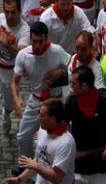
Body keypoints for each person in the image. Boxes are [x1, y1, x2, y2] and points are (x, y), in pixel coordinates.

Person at [11, 22, 71, 158]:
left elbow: (71, 63)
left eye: (40, 41)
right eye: (34, 41)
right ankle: (25, 166)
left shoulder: (56, 51)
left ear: (46, 39)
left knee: (54, 138)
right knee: (22, 136)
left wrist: (60, 71)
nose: (37, 45)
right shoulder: (23, 55)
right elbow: (15, 82)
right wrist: (16, 98)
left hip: (56, 102)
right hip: (36, 101)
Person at [0, 99, 77, 184]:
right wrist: (19, 180)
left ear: (53, 119)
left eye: (42, 115)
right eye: (39, 113)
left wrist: (35, 166)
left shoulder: (65, 143)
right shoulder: (43, 131)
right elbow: (39, 160)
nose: (38, 117)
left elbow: (57, 178)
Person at [65, 65, 106, 184]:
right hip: (77, 165)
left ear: (84, 86)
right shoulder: (71, 101)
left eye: (74, 84)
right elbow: (64, 127)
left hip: (98, 165)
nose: (71, 87)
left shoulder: (105, 101)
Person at [0, 0, 30, 136]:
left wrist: (8, 45)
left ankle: (7, 113)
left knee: (9, 105)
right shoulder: (0, 18)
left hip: (11, 74)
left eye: (13, 12)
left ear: (19, 11)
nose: (9, 16)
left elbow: (20, 52)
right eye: (6, 12)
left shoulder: (25, 30)